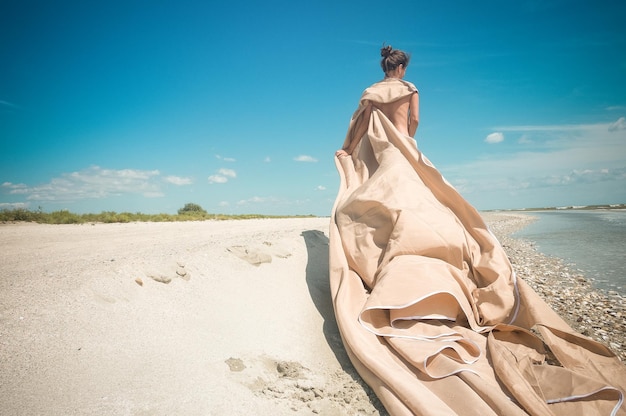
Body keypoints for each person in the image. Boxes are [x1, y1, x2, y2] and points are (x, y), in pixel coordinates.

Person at [328, 45, 626, 415]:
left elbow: (355, 129)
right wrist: (405, 136)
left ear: (384, 66)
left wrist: (346, 150)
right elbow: (414, 123)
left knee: (386, 206)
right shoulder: (409, 89)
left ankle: (391, 269)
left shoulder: (369, 93)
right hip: (405, 151)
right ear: (402, 67)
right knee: (432, 204)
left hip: (384, 157)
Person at [336, 45, 419, 158]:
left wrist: (349, 149)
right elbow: (414, 120)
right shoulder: (410, 89)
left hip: (380, 147)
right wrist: (408, 141)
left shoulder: (372, 91)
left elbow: (364, 123)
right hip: (403, 141)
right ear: (400, 68)